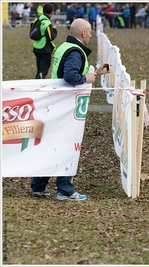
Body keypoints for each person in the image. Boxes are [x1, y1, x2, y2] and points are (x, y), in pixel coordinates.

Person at [31, 18, 109, 201]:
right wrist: (86, 79)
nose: (90, 35)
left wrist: (96, 73)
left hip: (55, 104)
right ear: (83, 33)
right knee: (66, 147)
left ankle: (38, 186)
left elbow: (70, 71)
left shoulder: (64, 46)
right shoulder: (76, 51)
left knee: (51, 146)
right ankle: (64, 190)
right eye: (89, 32)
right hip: (65, 107)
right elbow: (70, 76)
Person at [32, 3, 57, 80]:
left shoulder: (36, 20)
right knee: (43, 71)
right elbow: (50, 37)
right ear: (52, 12)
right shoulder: (47, 23)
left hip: (36, 47)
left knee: (39, 70)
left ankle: (37, 82)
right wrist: (54, 29)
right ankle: (38, 85)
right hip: (44, 49)